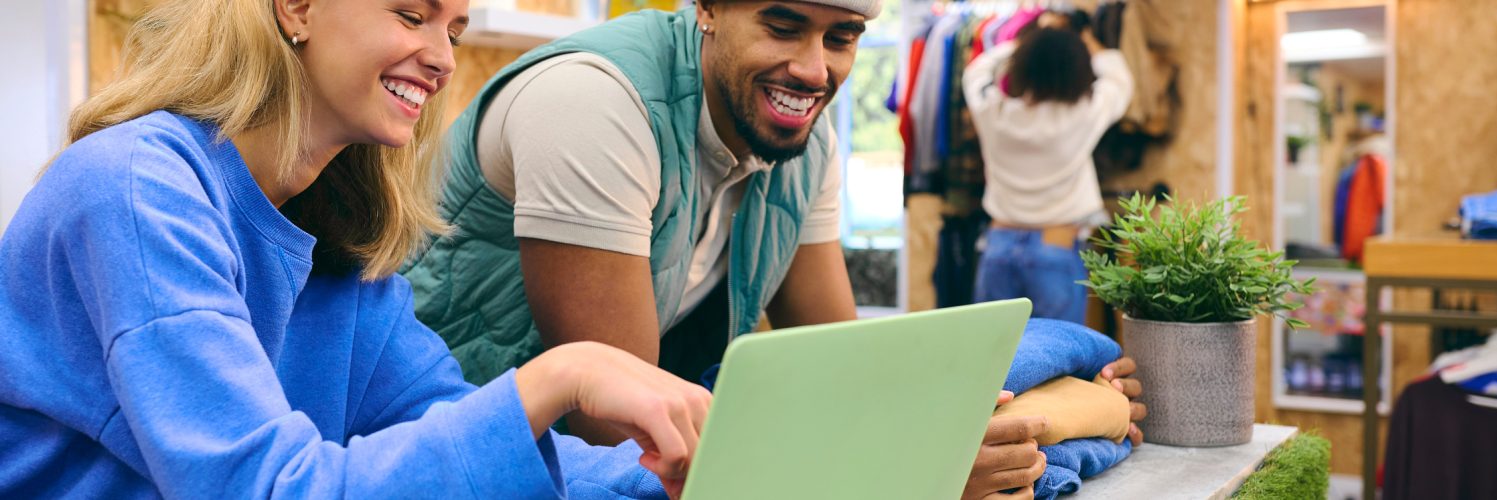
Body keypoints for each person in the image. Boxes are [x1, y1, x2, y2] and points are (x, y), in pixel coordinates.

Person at [401, 1, 1144, 497]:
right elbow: (617, 426)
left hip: (645, 438)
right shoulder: (593, 102)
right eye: (784, 25)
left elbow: (840, 359)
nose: (815, 70)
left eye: (842, 37)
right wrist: (914, 465)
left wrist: (936, 431)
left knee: (1019, 366)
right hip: (478, 450)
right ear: (710, 7)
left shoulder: (803, 136)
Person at [0, 0, 711, 497]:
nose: (440, 59)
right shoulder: (133, 189)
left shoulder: (337, 243)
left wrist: (682, 475)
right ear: (297, 7)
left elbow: (454, 437)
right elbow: (267, 489)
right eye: (411, 14)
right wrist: (562, 375)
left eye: (454, 31)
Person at [963, 23, 1134, 324]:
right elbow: (1119, 79)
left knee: (993, 357)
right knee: (1057, 356)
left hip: (999, 243)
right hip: (1056, 245)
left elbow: (975, 72)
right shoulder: (1084, 112)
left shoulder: (995, 111)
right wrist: (1090, 44)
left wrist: (1018, 45)